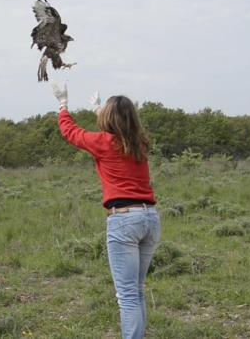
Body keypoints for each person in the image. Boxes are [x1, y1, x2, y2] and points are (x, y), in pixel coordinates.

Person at [50, 83, 161, 339]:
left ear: (109, 119)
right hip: (150, 218)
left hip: (124, 221)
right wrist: (98, 108)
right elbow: (118, 128)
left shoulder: (103, 142)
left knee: (127, 296)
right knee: (138, 290)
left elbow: (71, 133)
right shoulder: (140, 144)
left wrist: (63, 103)